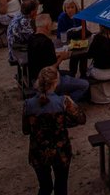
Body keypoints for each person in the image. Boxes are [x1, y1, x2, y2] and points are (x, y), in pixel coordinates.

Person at [22, 66, 85, 195]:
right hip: (60, 151)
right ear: (56, 82)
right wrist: (65, 122)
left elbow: (26, 130)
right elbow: (81, 119)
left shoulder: (28, 104)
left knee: (44, 187)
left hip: (38, 151)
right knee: (61, 187)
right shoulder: (64, 101)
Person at [27, 14, 90, 103]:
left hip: (34, 78)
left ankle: (59, 97)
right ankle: (64, 104)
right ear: (47, 26)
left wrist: (56, 55)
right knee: (85, 85)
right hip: (48, 81)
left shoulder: (31, 38)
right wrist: (62, 58)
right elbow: (51, 69)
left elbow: (41, 57)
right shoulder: (47, 42)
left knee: (70, 73)